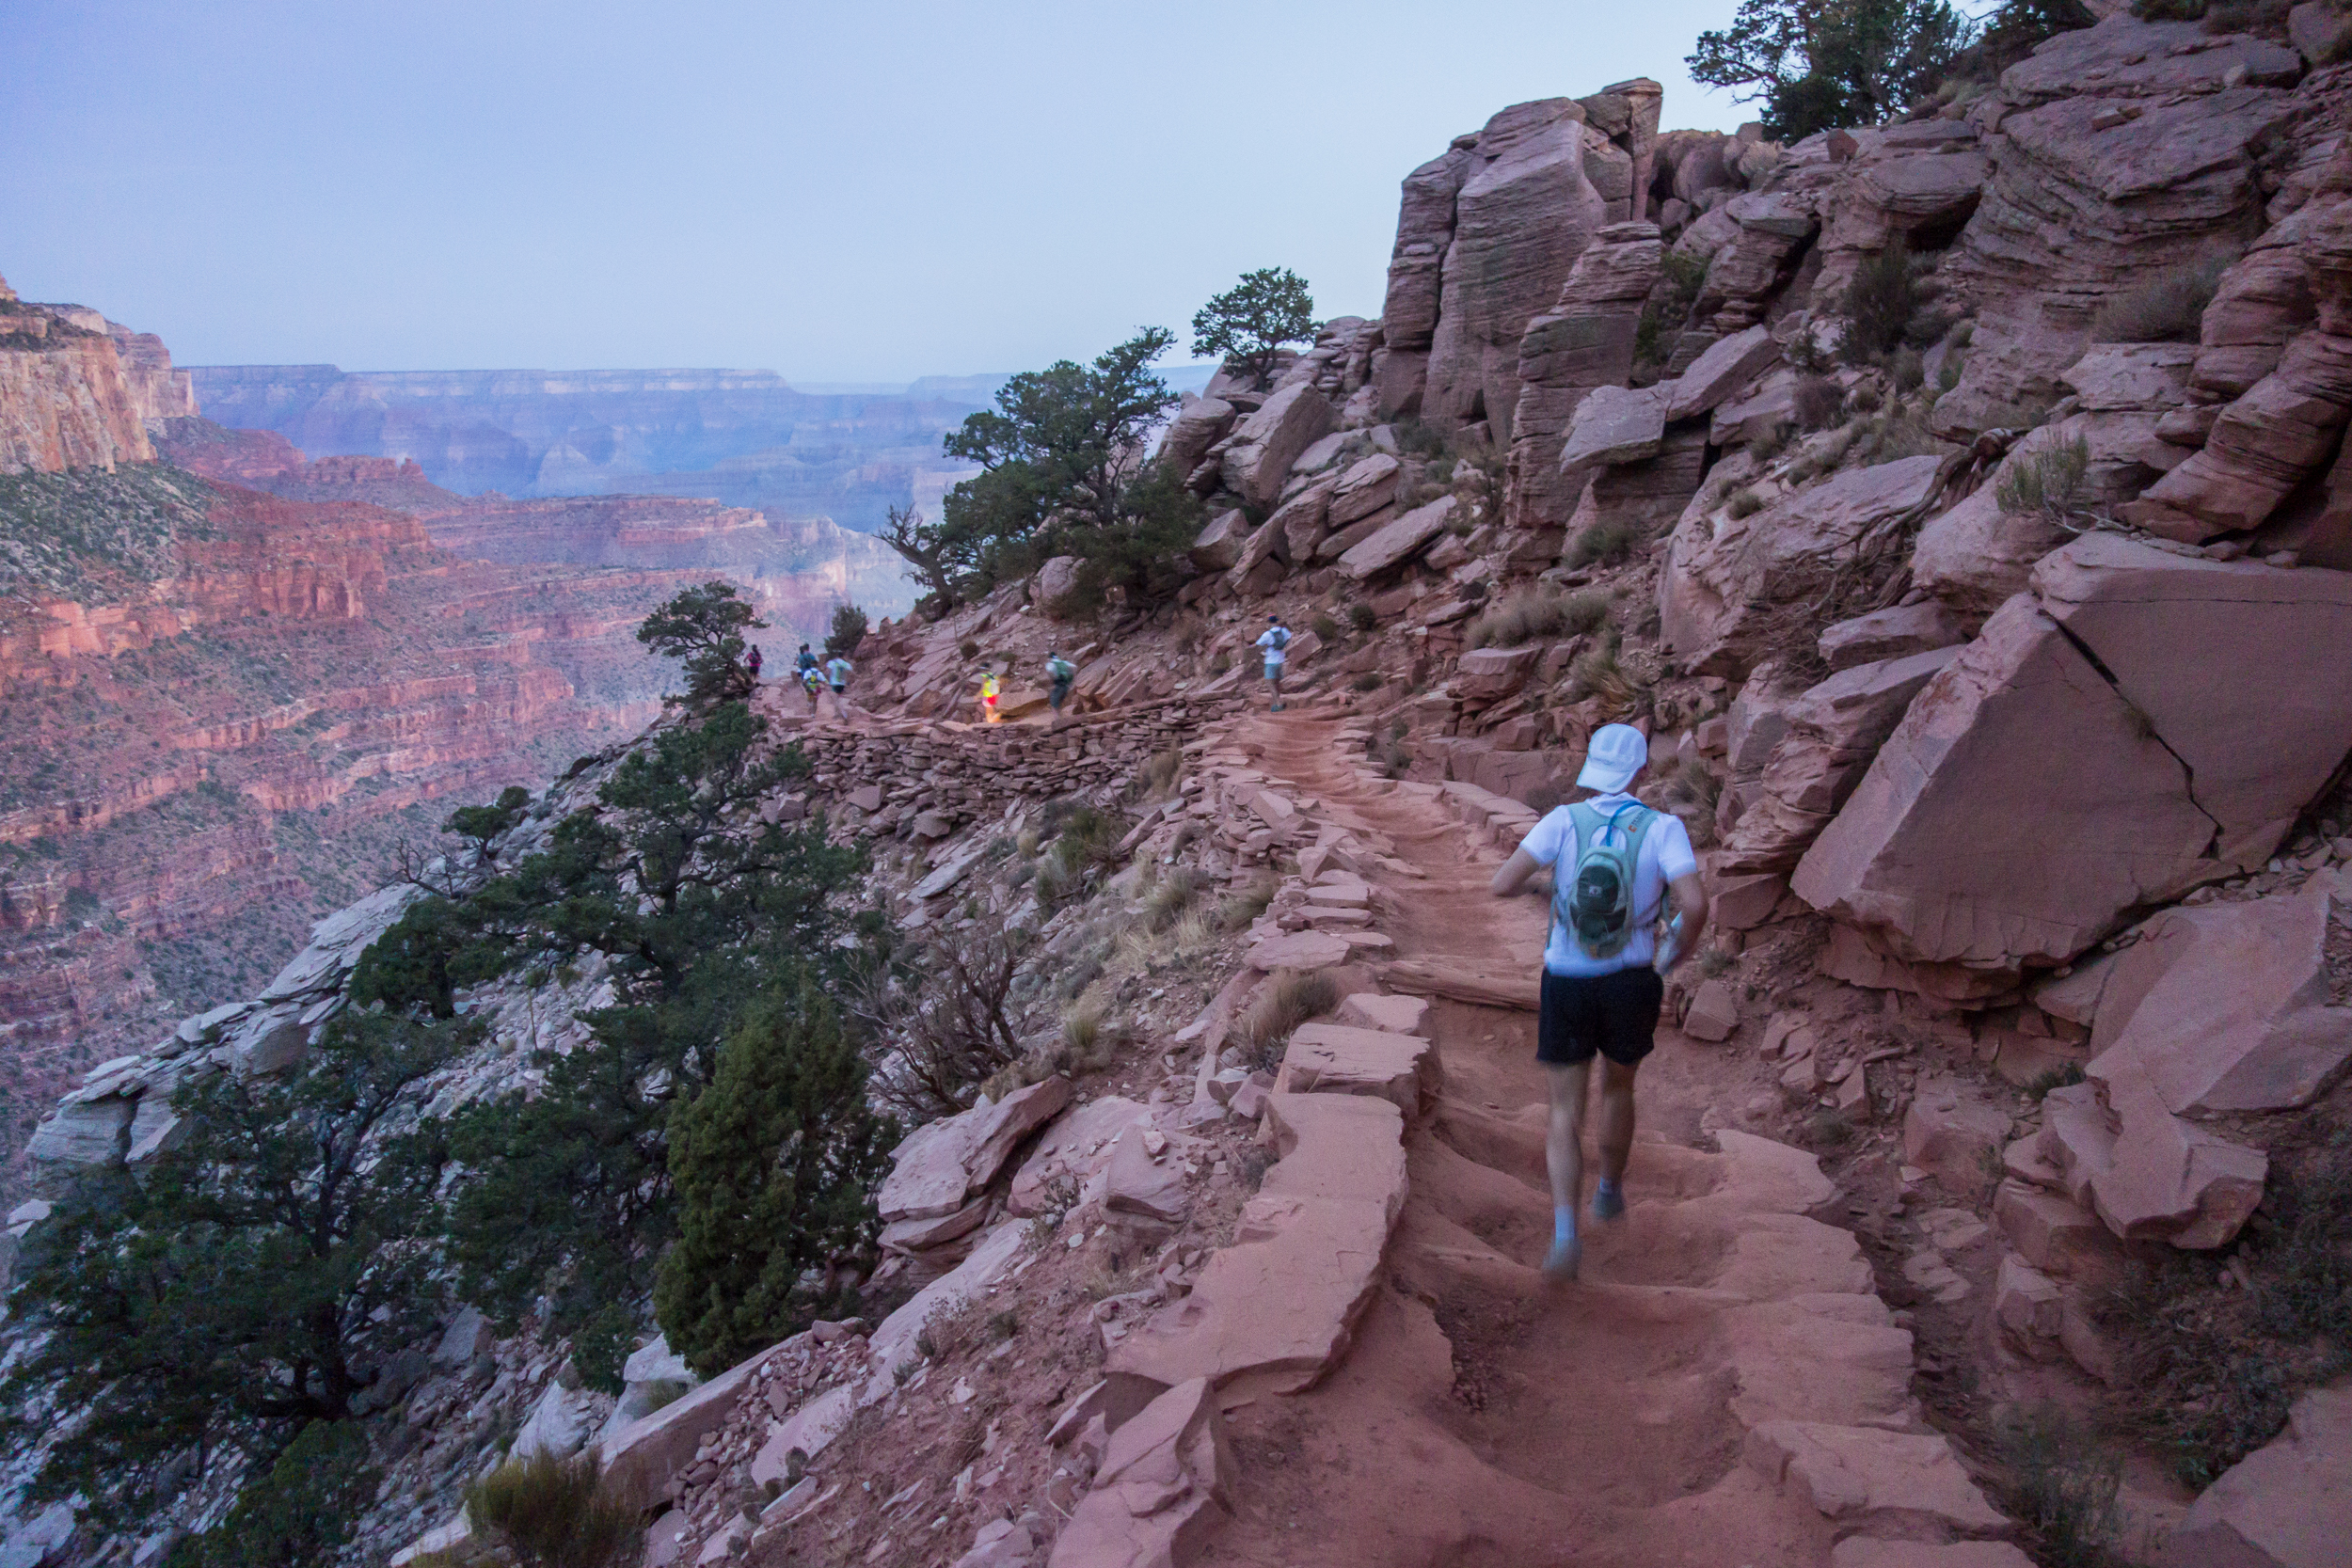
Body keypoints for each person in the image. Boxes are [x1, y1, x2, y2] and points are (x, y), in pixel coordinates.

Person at [1488, 723, 1707, 1283]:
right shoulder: (1664, 828)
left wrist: (1548, 889)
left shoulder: (1563, 821)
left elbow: (1502, 884)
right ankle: (1608, 1193)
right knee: (1619, 1086)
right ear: (1641, 772)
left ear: (1592, 769)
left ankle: (1565, 1236)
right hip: (1632, 980)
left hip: (1567, 978)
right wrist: (1670, 958)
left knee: (1564, 1111)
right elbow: (1695, 904)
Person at [1255, 615, 1292, 711]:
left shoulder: (1267, 634)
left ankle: (1278, 704)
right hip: (1281, 660)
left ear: (1269, 623)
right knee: (1277, 683)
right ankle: (1278, 702)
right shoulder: (1284, 631)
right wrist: (1284, 647)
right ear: (1277, 621)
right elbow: (1289, 638)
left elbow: (1258, 644)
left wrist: (1263, 652)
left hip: (1270, 661)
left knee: (1270, 683)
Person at [1045, 649, 1076, 721]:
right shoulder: (1064, 663)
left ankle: (1058, 721)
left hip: (1058, 686)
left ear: (1050, 658)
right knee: (1060, 703)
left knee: (1053, 703)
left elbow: (1049, 672)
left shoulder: (1050, 664)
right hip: (1066, 687)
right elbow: (1074, 667)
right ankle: (1062, 720)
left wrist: (1052, 679)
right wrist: (1072, 679)